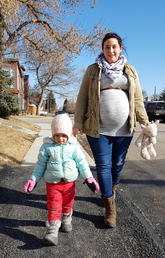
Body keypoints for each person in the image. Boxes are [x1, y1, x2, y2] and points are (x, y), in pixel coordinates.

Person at [73, 32, 150, 228]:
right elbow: (82, 98)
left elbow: (138, 99)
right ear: (102, 49)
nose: (111, 50)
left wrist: (145, 122)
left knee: (117, 164)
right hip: (98, 129)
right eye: (107, 47)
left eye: (114, 46)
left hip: (125, 129)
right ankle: (109, 207)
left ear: (120, 48)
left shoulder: (130, 71)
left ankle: (110, 191)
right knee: (104, 166)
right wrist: (78, 122)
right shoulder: (93, 70)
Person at [24, 112, 99, 246]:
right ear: (53, 134)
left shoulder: (73, 147)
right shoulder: (47, 147)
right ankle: (52, 231)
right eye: (57, 135)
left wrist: (89, 178)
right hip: (53, 184)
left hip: (69, 184)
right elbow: (40, 165)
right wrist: (33, 179)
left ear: (69, 134)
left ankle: (66, 219)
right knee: (54, 206)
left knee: (68, 204)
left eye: (64, 135)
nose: (60, 138)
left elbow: (82, 163)